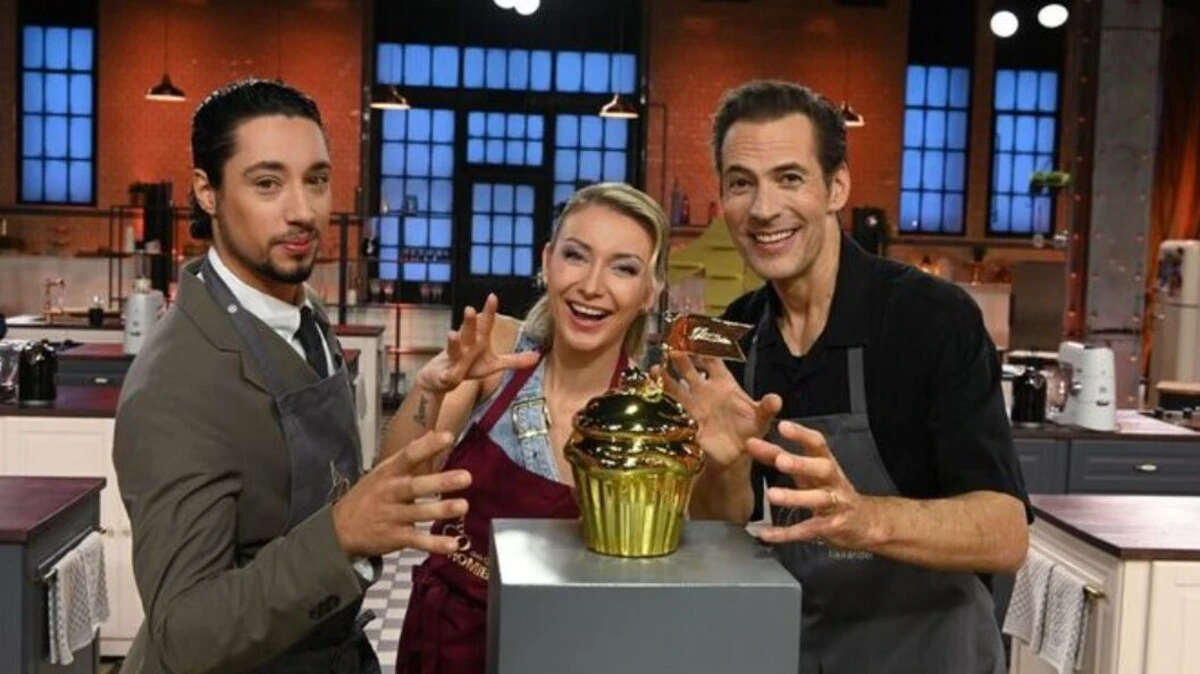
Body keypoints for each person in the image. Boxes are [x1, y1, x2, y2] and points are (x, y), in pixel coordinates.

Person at [664, 80, 1032, 673]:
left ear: (837, 187)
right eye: (741, 183)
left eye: (790, 178)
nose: (763, 209)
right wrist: (720, 467)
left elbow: (1006, 534)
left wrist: (865, 519)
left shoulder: (932, 318)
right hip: (800, 652)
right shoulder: (734, 331)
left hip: (930, 658)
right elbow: (722, 526)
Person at [112, 79, 471, 674]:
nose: (302, 211)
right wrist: (340, 536)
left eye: (317, 180)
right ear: (207, 191)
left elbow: (336, 488)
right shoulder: (176, 386)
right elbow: (184, 633)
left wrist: (428, 393)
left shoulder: (304, 315)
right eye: (267, 184)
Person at [384, 182, 669, 673]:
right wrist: (431, 389)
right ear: (547, 261)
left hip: (570, 650)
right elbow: (396, 487)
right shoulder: (496, 354)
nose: (592, 286)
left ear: (649, 293)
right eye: (576, 255)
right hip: (448, 641)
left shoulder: (649, 419)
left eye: (623, 268)